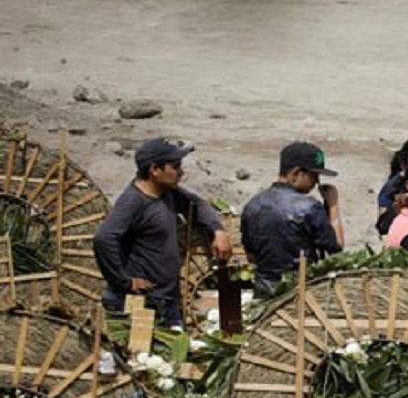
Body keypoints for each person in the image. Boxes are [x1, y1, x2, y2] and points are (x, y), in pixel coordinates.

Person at [93, 138, 232, 327]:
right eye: (175, 166)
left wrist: (218, 231)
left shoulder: (167, 193)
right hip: (141, 302)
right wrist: (124, 282)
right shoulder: (133, 202)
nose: (181, 172)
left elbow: (197, 204)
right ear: (154, 170)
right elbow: (104, 239)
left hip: (166, 299)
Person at [240, 142, 344, 294]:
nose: (317, 182)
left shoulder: (252, 205)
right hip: (298, 293)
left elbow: (251, 257)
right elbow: (337, 248)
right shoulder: (310, 207)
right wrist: (333, 204)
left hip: (264, 293)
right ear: (296, 173)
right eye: (314, 176)